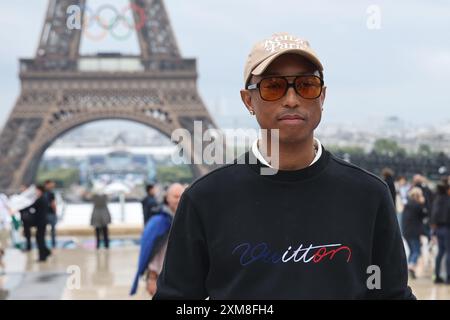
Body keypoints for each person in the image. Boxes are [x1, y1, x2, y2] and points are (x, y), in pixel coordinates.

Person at [153, 33, 415, 299]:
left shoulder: (370, 196)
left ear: (322, 96)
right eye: (273, 86)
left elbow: (392, 295)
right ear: (248, 100)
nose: (291, 99)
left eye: (307, 85)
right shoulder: (204, 199)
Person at [130, 183, 185, 296]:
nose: (179, 200)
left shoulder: (189, 220)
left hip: (183, 279)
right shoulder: (158, 222)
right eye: (175, 196)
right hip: (162, 279)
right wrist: (151, 278)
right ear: (167, 198)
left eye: (182, 196)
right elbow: (151, 251)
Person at [401, 187, 427, 279]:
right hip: (415, 232)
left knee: (412, 251)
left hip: (406, 231)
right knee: (416, 251)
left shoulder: (407, 205)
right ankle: (411, 266)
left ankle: (407, 270)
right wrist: (423, 203)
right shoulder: (418, 206)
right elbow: (424, 216)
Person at [430, 182, 450, 284]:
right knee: (448, 253)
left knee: (440, 253)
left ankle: (437, 276)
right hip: (447, 228)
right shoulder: (448, 200)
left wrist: (433, 232)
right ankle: (448, 277)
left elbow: (433, 216)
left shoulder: (437, 200)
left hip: (438, 229)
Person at [33, 185, 51, 262]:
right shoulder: (43, 198)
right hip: (42, 222)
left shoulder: (41, 199)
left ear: (40, 191)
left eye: (36, 190)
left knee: (40, 239)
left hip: (41, 222)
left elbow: (32, 206)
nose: (35, 192)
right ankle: (46, 252)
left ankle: (43, 256)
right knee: (39, 238)